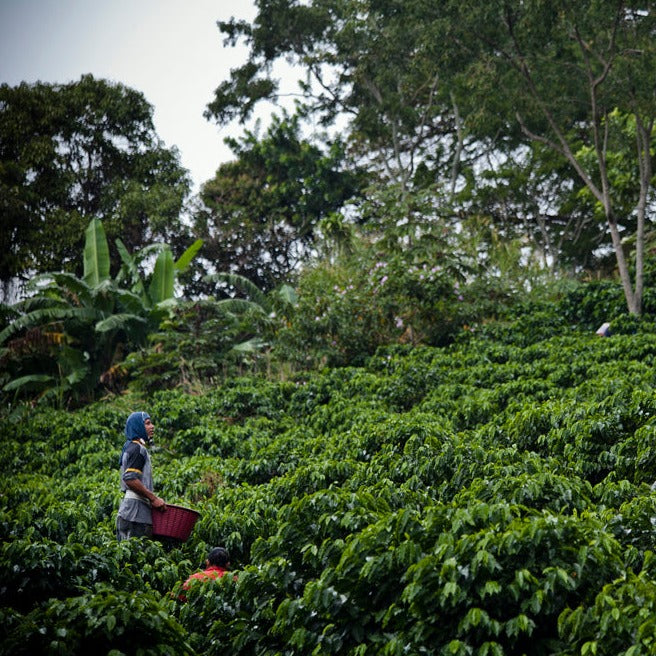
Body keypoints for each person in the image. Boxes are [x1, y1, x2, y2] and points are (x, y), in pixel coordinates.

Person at [116, 411, 166, 540]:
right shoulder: (138, 449)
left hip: (130, 511)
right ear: (138, 426)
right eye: (148, 423)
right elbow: (130, 479)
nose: (152, 426)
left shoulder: (130, 448)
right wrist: (153, 499)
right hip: (135, 514)